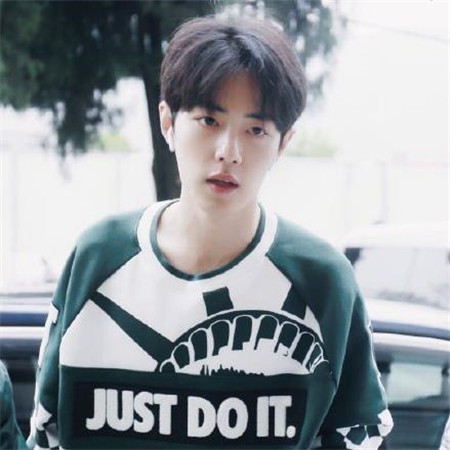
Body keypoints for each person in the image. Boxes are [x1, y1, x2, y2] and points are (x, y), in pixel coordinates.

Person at [27, 14, 393, 449]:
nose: (228, 152)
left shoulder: (322, 280)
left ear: (284, 142)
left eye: (255, 130)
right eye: (208, 121)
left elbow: (361, 438)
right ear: (168, 122)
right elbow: (46, 434)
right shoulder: (98, 257)